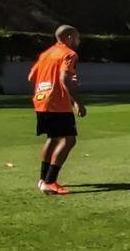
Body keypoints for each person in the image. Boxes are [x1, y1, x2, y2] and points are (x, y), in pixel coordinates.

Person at [28, 25, 86, 195]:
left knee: (53, 138)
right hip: (57, 104)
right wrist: (77, 102)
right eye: (77, 37)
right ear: (69, 37)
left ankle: (43, 179)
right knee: (69, 140)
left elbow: (32, 77)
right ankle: (50, 181)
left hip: (41, 101)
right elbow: (64, 79)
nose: (78, 41)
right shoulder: (69, 54)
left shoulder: (46, 54)